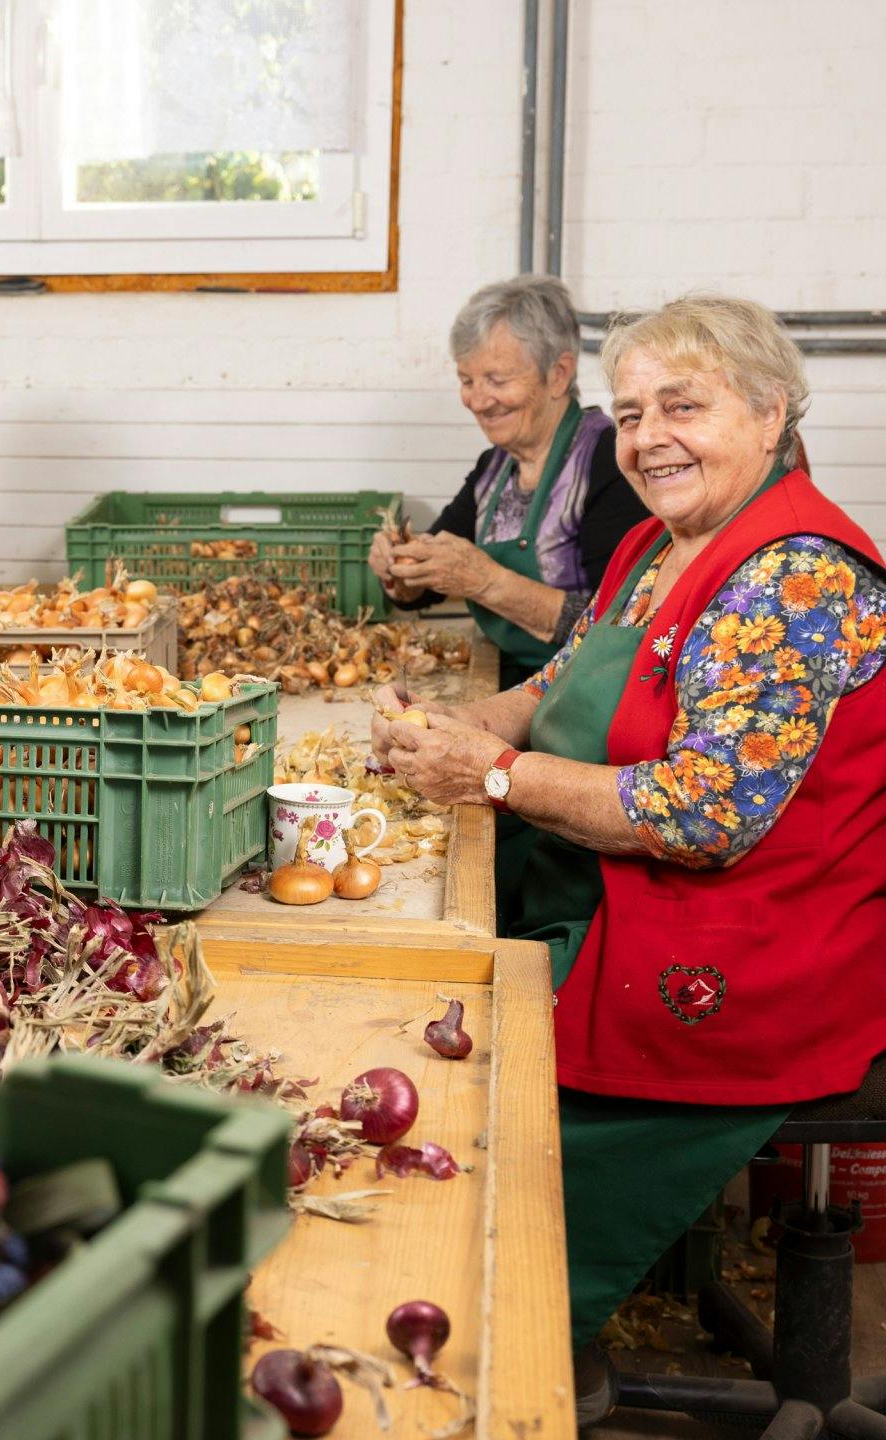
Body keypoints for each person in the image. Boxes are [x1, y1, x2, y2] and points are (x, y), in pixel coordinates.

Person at [369, 295, 886, 1419]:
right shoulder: (658, 543)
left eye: (684, 407)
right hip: (608, 895)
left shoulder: (793, 577)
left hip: (747, 951)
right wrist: (460, 731)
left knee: (476, 1125)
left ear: (770, 411)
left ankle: (522, 1349)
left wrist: (493, 780)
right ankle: (539, 1330)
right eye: (632, 411)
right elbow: (556, 688)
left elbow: (704, 814)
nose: (649, 436)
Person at [369, 275, 650, 687]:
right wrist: (401, 569)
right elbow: (428, 585)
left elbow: (619, 623)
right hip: (514, 680)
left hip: (585, 691)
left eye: (497, 381)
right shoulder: (494, 469)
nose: (478, 401)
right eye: (467, 381)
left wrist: (486, 581)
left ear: (558, 374)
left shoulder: (610, 461)